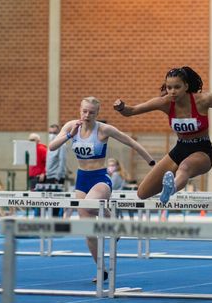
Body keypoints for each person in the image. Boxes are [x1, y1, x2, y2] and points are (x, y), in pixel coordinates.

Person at [49, 97, 155, 282]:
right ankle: (101, 269)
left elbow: (131, 142)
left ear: (97, 114)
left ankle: (114, 220)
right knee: (88, 228)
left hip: (100, 178)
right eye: (84, 111)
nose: (87, 115)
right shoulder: (71, 126)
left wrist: (152, 163)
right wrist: (68, 135)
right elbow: (51, 147)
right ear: (80, 110)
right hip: (81, 179)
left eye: (91, 112)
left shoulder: (103, 129)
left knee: (90, 206)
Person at [113, 66, 212, 203]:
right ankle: (170, 186)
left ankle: (170, 190)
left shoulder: (203, 99)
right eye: (169, 87)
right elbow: (131, 111)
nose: (172, 92)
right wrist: (121, 108)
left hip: (202, 150)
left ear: (186, 86)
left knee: (184, 167)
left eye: (177, 87)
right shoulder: (165, 102)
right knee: (143, 193)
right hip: (180, 149)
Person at [45, 124, 67, 216]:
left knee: (56, 203)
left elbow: (62, 161)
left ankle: (57, 222)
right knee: (49, 202)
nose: (52, 134)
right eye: (50, 132)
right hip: (49, 176)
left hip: (56, 177)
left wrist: (58, 177)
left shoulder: (62, 145)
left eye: (54, 133)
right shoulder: (50, 145)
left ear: (58, 133)